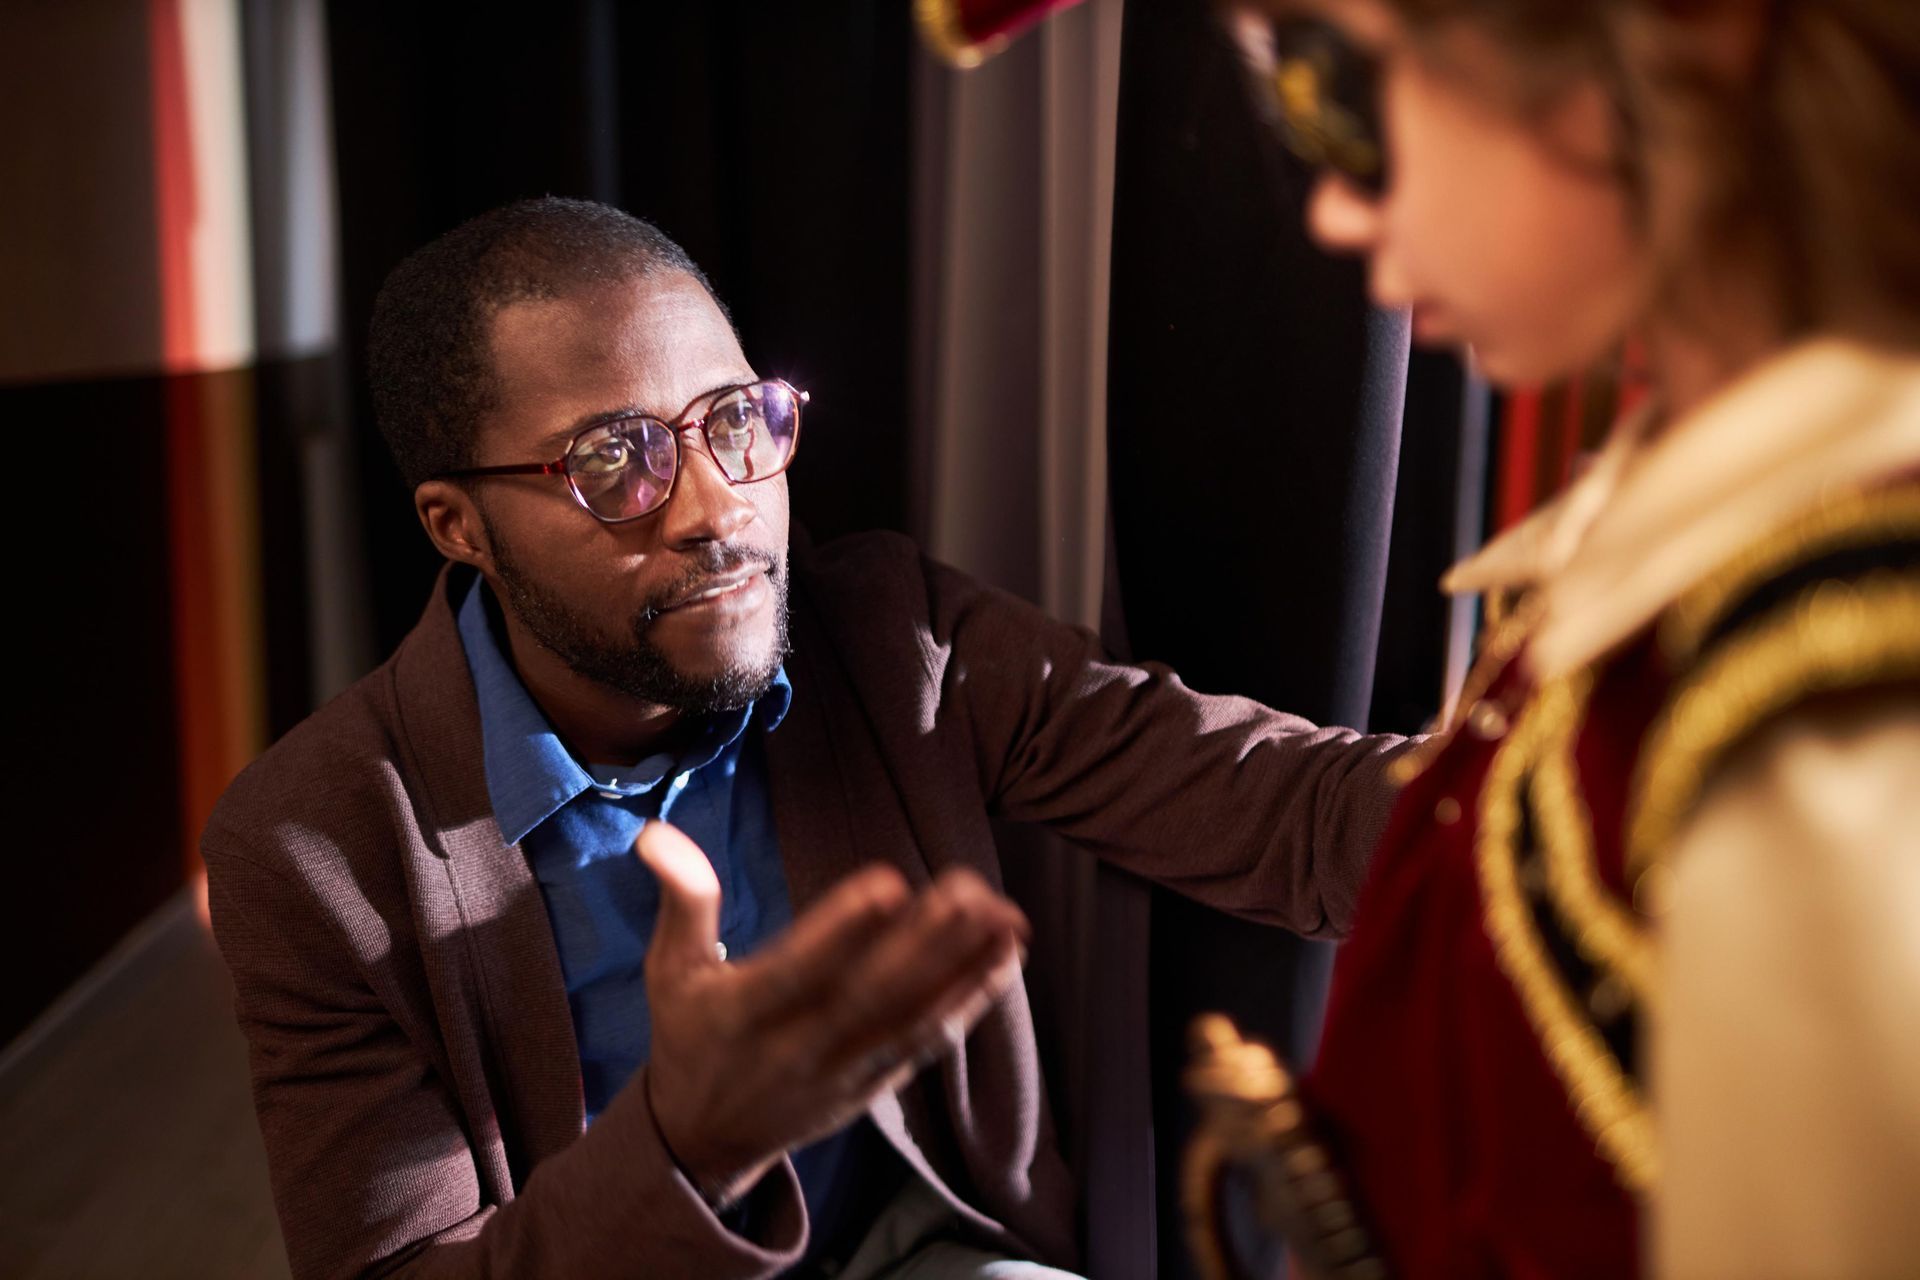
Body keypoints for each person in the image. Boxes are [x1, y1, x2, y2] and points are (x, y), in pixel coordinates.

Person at [202, 196, 1412, 1280]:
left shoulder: (888, 633)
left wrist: (1495, 806)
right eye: (616, 461)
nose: (716, 506)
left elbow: (1270, 798)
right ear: (458, 525)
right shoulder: (312, 845)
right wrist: (690, 1144)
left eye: (736, 419)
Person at [1180, 0, 1920, 1274]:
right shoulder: (1683, 551)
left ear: (1676, 37)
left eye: (1341, 95)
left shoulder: (1823, 686)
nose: (1336, 210)